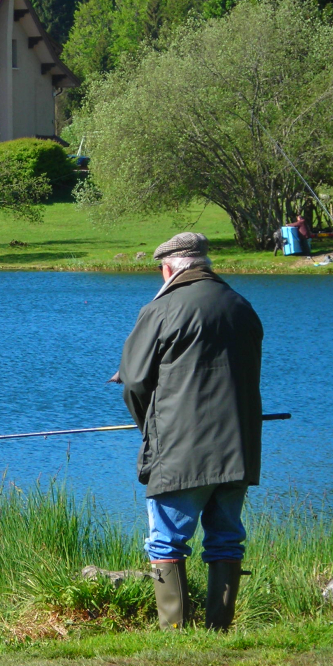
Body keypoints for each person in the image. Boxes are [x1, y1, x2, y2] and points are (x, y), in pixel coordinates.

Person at [117, 232, 263, 631]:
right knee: (226, 539)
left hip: (180, 451)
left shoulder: (161, 309)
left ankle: (176, 634)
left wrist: (150, 427)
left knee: (166, 541)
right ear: (204, 265)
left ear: (168, 269)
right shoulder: (242, 306)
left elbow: (132, 382)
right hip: (240, 447)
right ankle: (219, 631)